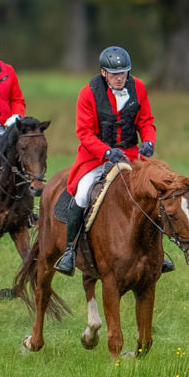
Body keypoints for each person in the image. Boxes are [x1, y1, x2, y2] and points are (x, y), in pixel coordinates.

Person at [56, 46, 159, 276]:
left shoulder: (139, 87)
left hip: (131, 155)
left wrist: (149, 141)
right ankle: (70, 250)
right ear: (104, 73)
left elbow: (146, 121)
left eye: (123, 72)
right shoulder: (88, 93)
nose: (120, 78)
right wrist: (106, 152)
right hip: (96, 158)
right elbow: (84, 132)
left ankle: (156, 251)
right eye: (114, 74)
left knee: (153, 192)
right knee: (83, 193)